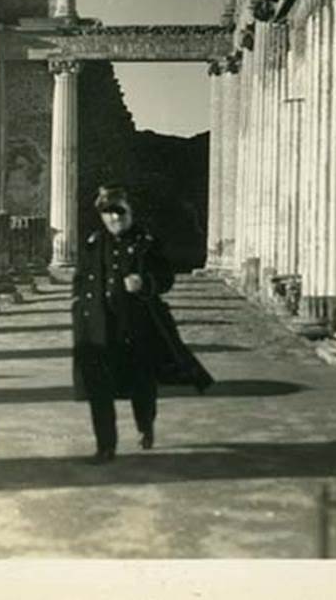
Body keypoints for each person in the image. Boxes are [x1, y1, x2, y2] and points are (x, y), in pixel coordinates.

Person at [71, 184, 214, 464]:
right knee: (99, 389)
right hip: (99, 328)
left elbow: (166, 278)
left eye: (120, 212)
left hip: (136, 327)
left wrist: (145, 283)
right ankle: (105, 447)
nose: (114, 218)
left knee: (142, 386)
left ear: (130, 211)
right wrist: (78, 305)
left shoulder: (147, 242)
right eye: (108, 213)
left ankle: (145, 425)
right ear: (101, 215)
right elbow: (81, 278)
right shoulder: (92, 243)